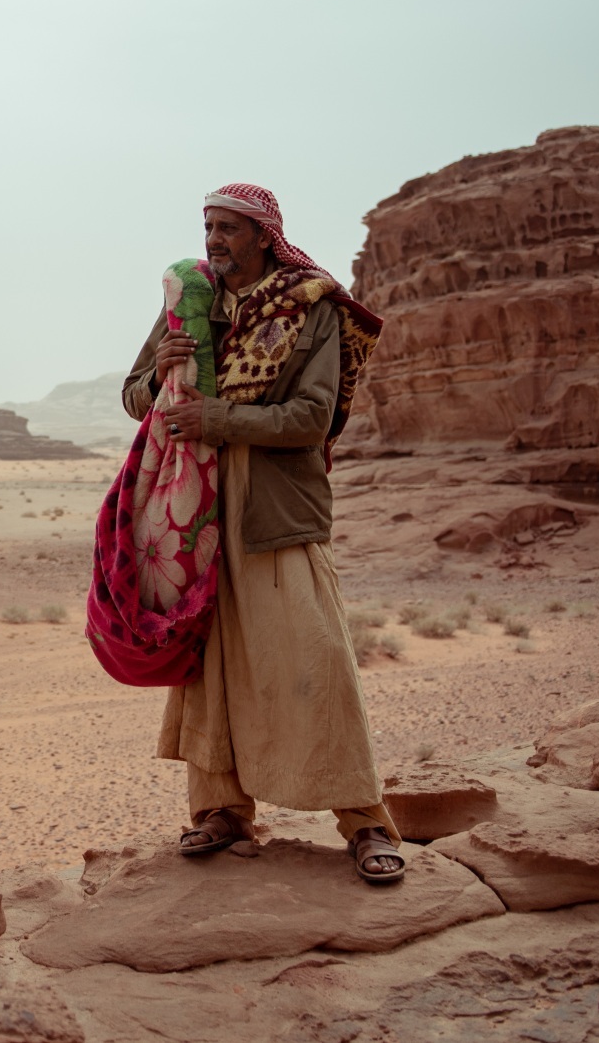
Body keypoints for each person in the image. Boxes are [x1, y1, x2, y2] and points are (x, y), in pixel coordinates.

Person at [120, 183, 406, 883]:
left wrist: (217, 419)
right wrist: (161, 376)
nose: (214, 239)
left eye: (228, 228)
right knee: (210, 671)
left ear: (263, 235)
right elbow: (133, 397)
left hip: (278, 513)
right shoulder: (190, 301)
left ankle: (365, 821)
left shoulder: (310, 305)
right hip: (198, 514)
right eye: (208, 226)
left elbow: (311, 418)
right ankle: (221, 811)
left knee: (317, 664)